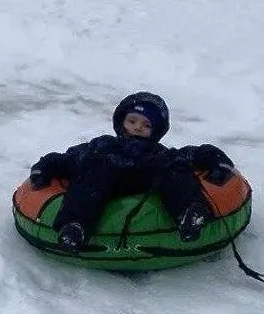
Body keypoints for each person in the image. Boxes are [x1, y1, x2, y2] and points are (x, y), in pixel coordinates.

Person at [29, 91, 237, 252]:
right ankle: (75, 226)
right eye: (132, 121)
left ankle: (189, 213)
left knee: (174, 167)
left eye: (146, 125)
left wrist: (217, 162)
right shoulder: (103, 145)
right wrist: (44, 167)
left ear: (155, 131)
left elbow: (195, 154)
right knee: (91, 168)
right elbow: (69, 159)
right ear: (121, 122)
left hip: (147, 177)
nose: (137, 127)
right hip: (107, 177)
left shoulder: (158, 153)